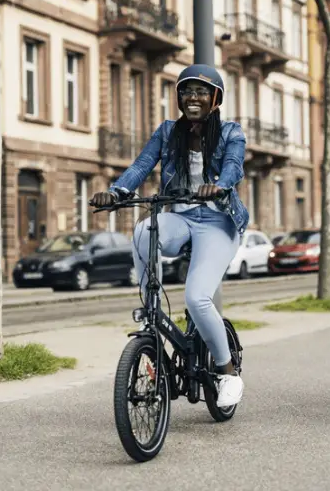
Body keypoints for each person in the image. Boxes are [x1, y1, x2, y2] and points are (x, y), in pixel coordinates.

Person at [90, 65, 248, 408]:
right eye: (187, 92)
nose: (193, 98)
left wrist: (219, 186)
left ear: (216, 99)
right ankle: (150, 308)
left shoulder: (231, 132)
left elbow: (234, 166)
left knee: (197, 298)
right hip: (180, 216)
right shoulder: (167, 132)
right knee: (143, 230)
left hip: (218, 222)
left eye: (202, 92)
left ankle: (228, 371)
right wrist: (117, 193)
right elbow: (142, 165)